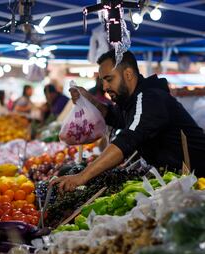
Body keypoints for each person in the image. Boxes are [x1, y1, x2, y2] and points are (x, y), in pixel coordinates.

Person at [52, 50, 205, 192]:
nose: (104, 87)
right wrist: (89, 100)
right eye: (102, 80)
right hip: (180, 181)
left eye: (109, 79)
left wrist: (82, 177)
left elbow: (128, 139)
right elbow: (113, 116)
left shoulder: (150, 98)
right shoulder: (131, 101)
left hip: (198, 181)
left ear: (128, 74)